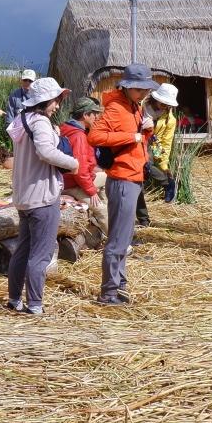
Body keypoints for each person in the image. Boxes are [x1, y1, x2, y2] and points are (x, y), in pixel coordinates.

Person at [5, 78, 78, 315]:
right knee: (40, 255)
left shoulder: (22, 120)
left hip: (24, 197)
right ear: (45, 100)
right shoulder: (41, 122)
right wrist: (73, 163)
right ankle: (35, 305)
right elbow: (46, 152)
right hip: (42, 197)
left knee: (22, 251)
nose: (57, 106)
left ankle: (14, 300)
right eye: (55, 100)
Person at [88, 63, 159, 306]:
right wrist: (132, 136)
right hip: (122, 178)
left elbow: (137, 143)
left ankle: (120, 284)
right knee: (118, 238)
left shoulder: (134, 106)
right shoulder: (116, 108)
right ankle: (109, 292)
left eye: (146, 89)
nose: (144, 93)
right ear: (127, 87)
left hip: (133, 176)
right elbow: (94, 136)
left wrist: (146, 131)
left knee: (125, 236)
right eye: (139, 89)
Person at [61, 96, 106, 250]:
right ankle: (118, 243)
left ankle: (104, 219)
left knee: (108, 177)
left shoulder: (68, 128)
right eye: (94, 114)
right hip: (72, 184)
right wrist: (92, 191)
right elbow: (79, 172)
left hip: (75, 179)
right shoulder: (78, 136)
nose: (97, 117)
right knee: (102, 209)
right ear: (85, 115)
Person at [139, 84, 179, 218]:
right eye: (162, 103)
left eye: (167, 105)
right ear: (155, 99)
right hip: (135, 140)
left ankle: (167, 182)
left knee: (145, 165)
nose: (164, 107)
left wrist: (164, 166)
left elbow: (166, 143)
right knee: (139, 175)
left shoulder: (170, 120)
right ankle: (166, 182)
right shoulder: (140, 106)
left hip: (152, 145)